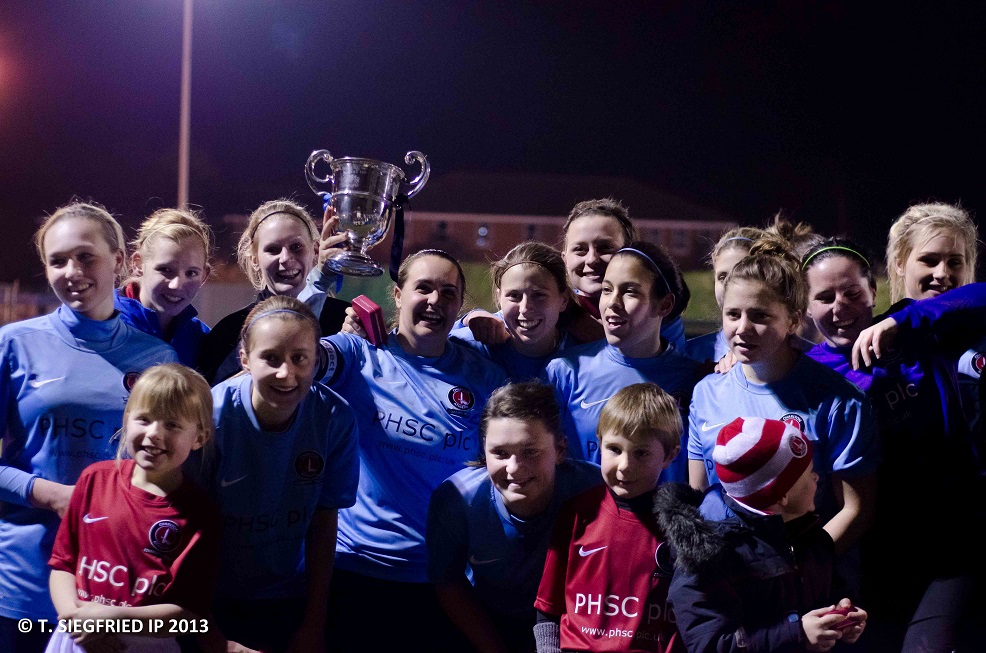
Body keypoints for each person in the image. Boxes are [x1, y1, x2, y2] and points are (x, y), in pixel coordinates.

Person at [0, 201, 179, 653]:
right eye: (57, 261)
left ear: (118, 260)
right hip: (23, 584)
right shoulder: (14, 344)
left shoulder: (158, 358)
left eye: (85, 256)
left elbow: (167, 473)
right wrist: (49, 494)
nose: (72, 272)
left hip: (114, 589)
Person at [317, 248, 508, 651]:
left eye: (449, 293)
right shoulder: (359, 353)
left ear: (459, 305)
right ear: (397, 294)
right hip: (353, 573)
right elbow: (303, 358)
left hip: (442, 581)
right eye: (423, 288)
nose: (435, 300)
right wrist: (317, 283)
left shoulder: (486, 376)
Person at [802, 237, 986, 651]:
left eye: (852, 293)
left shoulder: (913, 329)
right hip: (874, 552)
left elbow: (981, 296)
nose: (840, 307)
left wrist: (904, 320)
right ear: (806, 306)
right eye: (825, 297)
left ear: (873, 289)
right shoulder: (806, 372)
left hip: (952, 537)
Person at [687, 236, 879, 560]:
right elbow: (700, 497)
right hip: (727, 577)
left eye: (760, 316)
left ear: (793, 319)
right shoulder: (706, 393)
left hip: (808, 579)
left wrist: (796, 568)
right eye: (733, 314)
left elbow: (855, 509)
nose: (743, 328)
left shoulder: (840, 401)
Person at [200, 296, 359, 653]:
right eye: (271, 358)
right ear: (244, 359)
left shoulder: (335, 417)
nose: (286, 374)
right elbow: (184, 526)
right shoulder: (210, 417)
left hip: (288, 596)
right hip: (210, 598)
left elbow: (324, 522)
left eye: (299, 358)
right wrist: (210, 635)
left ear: (316, 359)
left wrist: (314, 624)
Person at [46, 364, 220, 653]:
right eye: (144, 419)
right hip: (76, 636)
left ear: (199, 437)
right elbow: (63, 565)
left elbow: (189, 615)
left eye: (172, 425)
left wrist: (116, 620)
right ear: (127, 420)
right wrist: (74, 620)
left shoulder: (200, 513)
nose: (154, 434)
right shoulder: (94, 479)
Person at [661, 416, 868, 652]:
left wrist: (841, 612)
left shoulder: (808, 535)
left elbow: (824, 589)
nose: (816, 477)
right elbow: (709, 645)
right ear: (781, 496)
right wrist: (798, 634)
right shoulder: (708, 556)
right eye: (808, 472)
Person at [427, 381, 602, 653]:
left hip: (573, 622)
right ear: (483, 452)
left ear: (560, 449)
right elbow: (448, 583)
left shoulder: (597, 493)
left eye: (530, 451)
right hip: (488, 620)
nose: (514, 468)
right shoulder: (457, 501)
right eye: (499, 453)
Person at [533, 383, 684, 653]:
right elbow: (548, 609)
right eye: (615, 449)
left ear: (670, 455)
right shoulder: (576, 514)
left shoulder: (684, 526)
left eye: (641, 453)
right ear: (599, 442)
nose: (625, 466)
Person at [544, 241, 704, 480]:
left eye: (630, 292)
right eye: (607, 290)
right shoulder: (566, 371)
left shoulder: (696, 381)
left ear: (665, 305)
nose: (612, 303)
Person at [196, 198, 349, 385]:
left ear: (315, 250)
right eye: (273, 249)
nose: (285, 258)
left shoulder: (346, 320)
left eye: (296, 247)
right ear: (254, 259)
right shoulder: (229, 333)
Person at [886, 201, 984, 434]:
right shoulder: (880, 337)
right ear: (900, 264)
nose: (942, 273)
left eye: (954, 262)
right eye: (929, 260)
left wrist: (912, 314)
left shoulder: (981, 329)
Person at [561, 198, 689, 348]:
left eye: (605, 247)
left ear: (631, 252)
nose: (592, 259)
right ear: (564, 259)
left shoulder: (657, 309)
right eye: (580, 249)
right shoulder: (550, 310)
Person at [450, 241, 580, 381]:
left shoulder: (581, 354)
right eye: (514, 295)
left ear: (563, 300)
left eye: (538, 295)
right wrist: (468, 318)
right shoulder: (472, 346)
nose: (525, 308)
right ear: (499, 297)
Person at [115, 207, 212, 366]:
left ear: (204, 275)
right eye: (165, 270)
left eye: (191, 273)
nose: (177, 285)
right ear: (138, 263)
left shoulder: (203, 341)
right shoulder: (102, 322)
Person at [683, 226, 765, 364]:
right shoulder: (691, 355)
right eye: (722, 277)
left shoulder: (795, 351)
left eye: (741, 275)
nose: (729, 285)